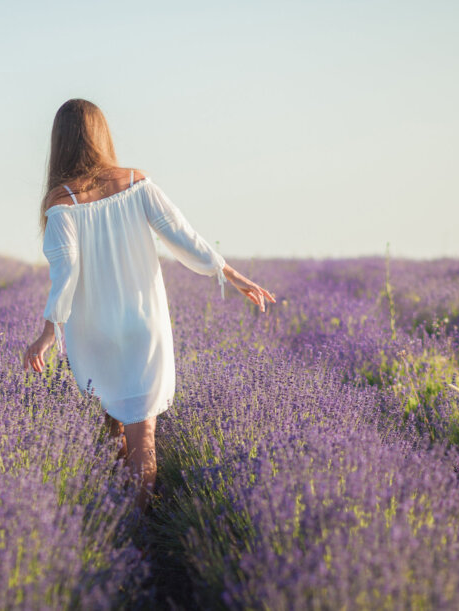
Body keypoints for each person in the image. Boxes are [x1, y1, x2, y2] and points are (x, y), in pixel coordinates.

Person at [22, 98, 276, 513]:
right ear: (101, 134)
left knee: (109, 427)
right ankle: (140, 528)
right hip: (144, 326)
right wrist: (229, 273)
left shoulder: (60, 203)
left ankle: (114, 524)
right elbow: (183, 235)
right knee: (145, 439)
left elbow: (65, 274)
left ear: (60, 142)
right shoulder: (136, 183)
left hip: (94, 331)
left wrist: (50, 331)